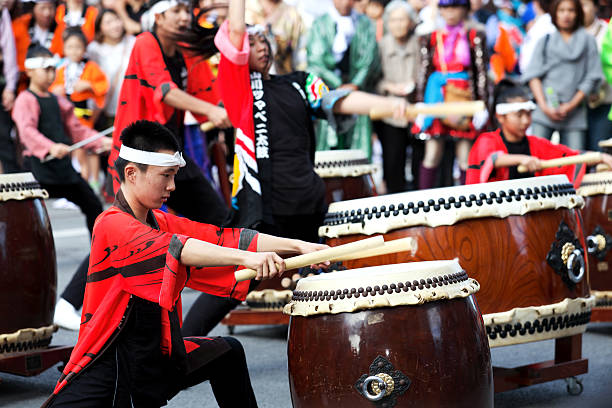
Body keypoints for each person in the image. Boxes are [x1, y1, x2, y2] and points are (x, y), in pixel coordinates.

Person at [42, 120, 327, 407]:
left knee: (226, 351)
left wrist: (298, 246)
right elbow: (178, 249)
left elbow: (223, 237)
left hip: (158, 359)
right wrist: (247, 259)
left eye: (174, 175)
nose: (172, 186)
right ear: (131, 173)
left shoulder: (159, 220)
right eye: (166, 176)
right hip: (110, 367)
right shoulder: (110, 224)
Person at [178, 0, 406, 337]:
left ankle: (345, 355)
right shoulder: (238, 86)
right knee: (233, 284)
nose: (260, 46)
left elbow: (337, 101)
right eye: (252, 42)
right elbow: (237, 30)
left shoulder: (300, 82)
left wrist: (387, 105)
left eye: (263, 40)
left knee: (325, 282)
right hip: (263, 209)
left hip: (306, 205)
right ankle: (178, 349)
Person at [12, 45, 113, 330]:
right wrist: (49, 147)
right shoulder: (25, 99)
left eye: (51, 68)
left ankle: (102, 258)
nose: (49, 73)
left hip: (63, 169)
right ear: (30, 69)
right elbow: (26, 131)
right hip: (39, 169)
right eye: (44, 68)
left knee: (94, 206)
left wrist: (100, 142)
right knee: (33, 224)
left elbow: (77, 129)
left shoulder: (57, 101)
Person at [107, 0, 232, 226]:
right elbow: (164, 90)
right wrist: (211, 111)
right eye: (176, 11)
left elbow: (210, 94)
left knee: (219, 221)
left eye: (186, 11)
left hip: (172, 154)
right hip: (139, 157)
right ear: (158, 17)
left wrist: (224, 111)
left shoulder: (185, 51)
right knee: (132, 232)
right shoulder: (145, 42)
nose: (184, 17)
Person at [466, 79, 612, 184]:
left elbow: (570, 156)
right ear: (500, 117)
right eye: (519, 115)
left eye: (528, 114)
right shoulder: (487, 140)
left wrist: (602, 157)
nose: (525, 121)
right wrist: (521, 159)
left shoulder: (535, 144)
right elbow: (493, 159)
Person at [412, 0, 490, 189]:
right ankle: (425, 202)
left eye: (455, 7)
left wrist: (482, 104)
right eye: (445, 8)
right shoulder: (431, 37)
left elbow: (481, 72)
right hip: (437, 96)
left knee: (465, 155)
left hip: (463, 97)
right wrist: (421, 102)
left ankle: (468, 202)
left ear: (464, 9)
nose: (450, 12)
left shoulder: (474, 35)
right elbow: (424, 71)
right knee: (432, 153)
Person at [522, 0, 604, 150]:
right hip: (544, 111)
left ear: (577, 13)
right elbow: (533, 76)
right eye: (561, 10)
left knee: (575, 161)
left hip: (575, 113)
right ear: (554, 13)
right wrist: (545, 106)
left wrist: (571, 105)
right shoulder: (545, 40)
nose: (566, 15)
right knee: (537, 158)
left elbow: (592, 77)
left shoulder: (587, 41)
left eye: (571, 10)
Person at [307, 0, 381, 158]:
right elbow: (315, 61)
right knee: (329, 146)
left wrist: (355, 84)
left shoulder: (365, 23)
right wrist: (338, 84)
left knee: (358, 147)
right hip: (329, 91)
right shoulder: (320, 24)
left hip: (356, 90)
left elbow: (370, 59)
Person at [51, 27, 109, 188]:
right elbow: (53, 87)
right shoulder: (61, 69)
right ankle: (80, 183)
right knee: (75, 149)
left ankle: (93, 182)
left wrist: (89, 85)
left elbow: (103, 85)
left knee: (89, 147)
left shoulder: (90, 67)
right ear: (64, 49)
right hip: (67, 115)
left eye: (78, 47)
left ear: (84, 49)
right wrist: (56, 90)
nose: (74, 51)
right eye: (70, 47)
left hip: (86, 115)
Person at [375, 0, 423, 192]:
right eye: (393, 20)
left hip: (417, 111)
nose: (398, 24)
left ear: (411, 22)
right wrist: (389, 86)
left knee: (420, 160)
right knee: (393, 161)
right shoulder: (381, 46)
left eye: (403, 19)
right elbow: (373, 79)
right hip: (390, 112)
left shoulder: (420, 43)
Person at [86, 8, 136, 130]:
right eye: (108, 22)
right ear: (100, 28)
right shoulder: (94, 50)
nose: (115, 25)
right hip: (108, 108)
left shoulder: (133, 42)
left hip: (132, 106)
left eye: (116, 19)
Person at [245, 0, 306, 74]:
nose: (262, 48)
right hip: (247, 79)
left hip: (281, 79)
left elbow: (301, 60)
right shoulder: (244, 9)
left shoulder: (293, 15)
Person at [582, 0, 612, 151]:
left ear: (595, 6)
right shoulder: (567, 32)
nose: (581, 9)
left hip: (604, 102)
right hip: (575, 107)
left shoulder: (607, 30)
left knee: (599, 150)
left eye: (584, 4)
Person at [12, 0, 62, 88]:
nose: (47, 13)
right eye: (42, 8)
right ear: (33, 9)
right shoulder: (19, 25)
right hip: (23, 81)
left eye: (51, 8)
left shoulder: (62, 30)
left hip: (52, 83)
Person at [0, 0, 20, 173]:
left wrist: (10, 87)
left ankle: (12, 190)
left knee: (4, 137)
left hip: (1, 84)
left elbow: (9, 52)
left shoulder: (3, 14)